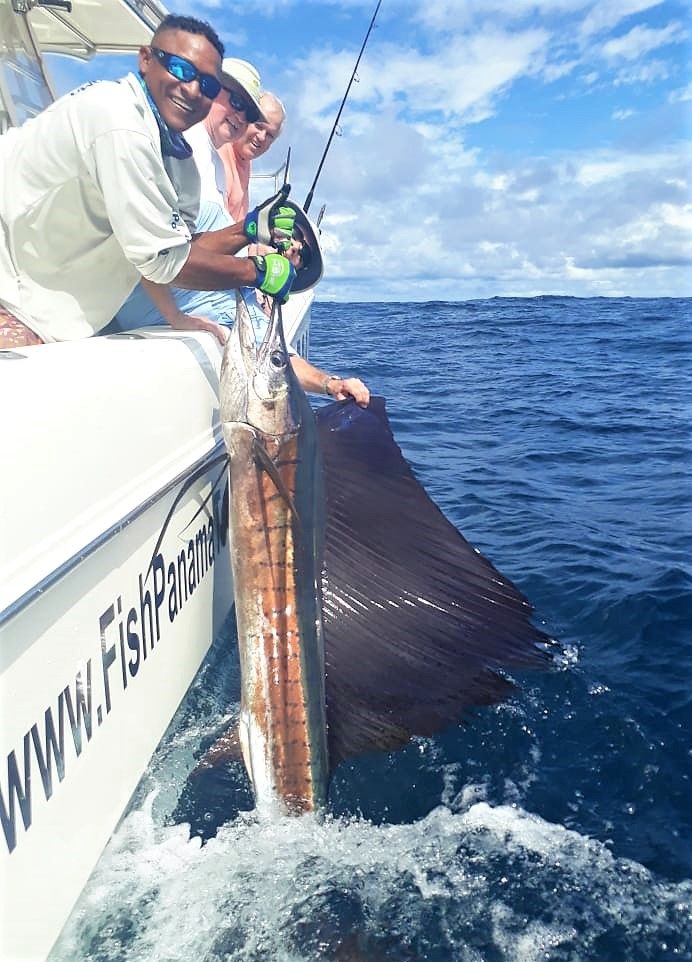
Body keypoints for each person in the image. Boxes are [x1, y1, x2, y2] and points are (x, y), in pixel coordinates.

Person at [0, 14, 296, 349]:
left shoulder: (177, 158)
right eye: (182, 69)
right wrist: (257, 271)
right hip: (13, 299)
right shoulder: (118, 119)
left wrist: (177, 316)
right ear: (146, 59)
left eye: (208, 85)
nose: (192, 89)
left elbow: (174, 249)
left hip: (49, 304)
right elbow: (166, 261)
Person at [219, 91, 286, 221]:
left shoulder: (245, 161)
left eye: (270, 135)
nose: (261, 137)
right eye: (258, 126)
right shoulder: (219, 155)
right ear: (245, 118)